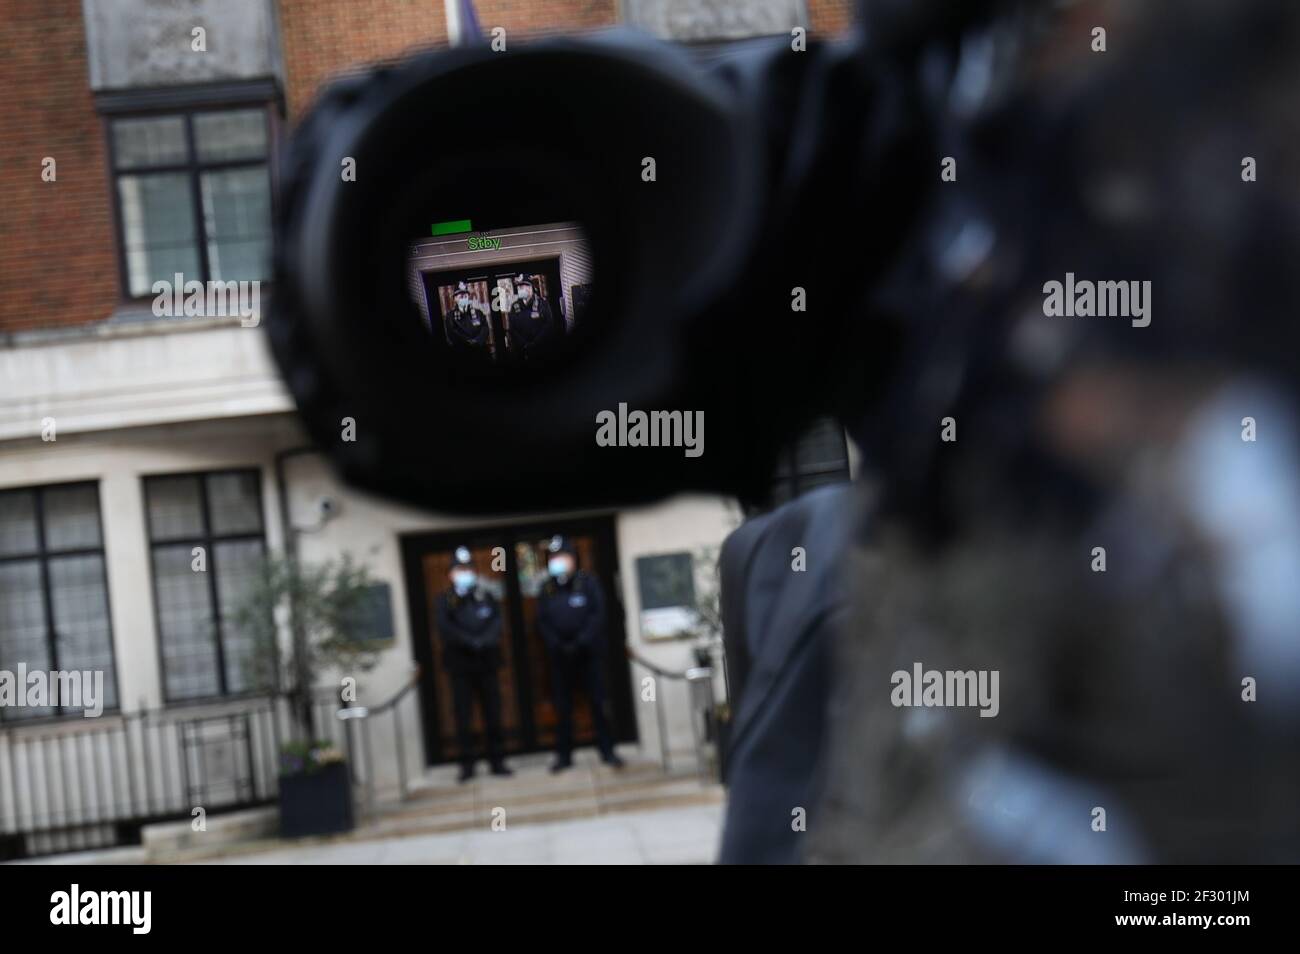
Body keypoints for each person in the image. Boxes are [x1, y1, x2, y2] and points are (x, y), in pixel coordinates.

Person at [535, 535, 623, 771]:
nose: (558, 561)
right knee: (563, 707)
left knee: (598, 702)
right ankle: (564, 756)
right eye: (554, 558)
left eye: (562, 556)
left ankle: (607, 750)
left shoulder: (588, 583)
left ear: (573, 558)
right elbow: (542, 621)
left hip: (588, 654)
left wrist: (581, 641)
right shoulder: (547, 589)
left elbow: (598, 615)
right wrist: (559, 644)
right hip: (560, 657)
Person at [435, 545, 512, 782]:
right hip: (461, 666)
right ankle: (467, 763)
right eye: (459, 569)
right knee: (463, 715)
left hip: (486, 663)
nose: (464, 573)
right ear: (451, 573)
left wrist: (484, 641)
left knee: (493, 712)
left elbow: (497, 621)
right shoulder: (445, 599)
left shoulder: (486, 595)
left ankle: (497, 761)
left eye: (467, 568)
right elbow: (445, 628)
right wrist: (470, 641)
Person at [505, 274, 559, 363]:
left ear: (530, 288)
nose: (520, 289)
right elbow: (512, 329)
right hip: (522, 351)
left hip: (541, 349)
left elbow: (549, 324)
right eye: (519, 287)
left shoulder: (542, 303)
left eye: (523, 286)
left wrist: (535, 343)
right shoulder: (514, 306)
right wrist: (524, 344)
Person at [444, 281, 491, 359]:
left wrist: (476, 341)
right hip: (462, 353)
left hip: (480, 351)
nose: (464, 298)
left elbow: (485, 329)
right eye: (461, 297)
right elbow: (452, 334)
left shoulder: (478, 312)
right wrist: (468, 342)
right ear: (455, 299)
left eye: (466, 296)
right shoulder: (450, 316)